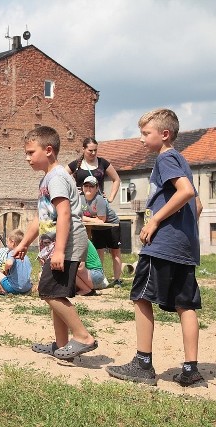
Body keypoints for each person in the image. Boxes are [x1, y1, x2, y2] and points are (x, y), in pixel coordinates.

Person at [106, 109, 205, 387]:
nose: (140, 140)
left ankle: (143, 363)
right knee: (185, 305)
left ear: (164, 135)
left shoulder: (166, 158)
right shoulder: (183, 160)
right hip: (183, 249)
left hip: (161, 246)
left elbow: (185, 192)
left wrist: (157, 221)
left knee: (141, 296)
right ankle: (190, 369)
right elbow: (197, 205)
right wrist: (184, 234)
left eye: (145, 133)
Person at [13, 126, 98, 360]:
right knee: (55, 293)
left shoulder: (58, 178)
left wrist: (59, 250)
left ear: (48, 150)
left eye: (31, 152)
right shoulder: (48, 179)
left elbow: (64, 214)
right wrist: (23, 244)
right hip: (56, 245)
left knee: (49, 292)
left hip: (67, 244)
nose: (26, 158)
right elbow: (40, 217)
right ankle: (62, 345)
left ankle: (82, 337)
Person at [80, 175, 123, 287]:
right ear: (82, 187)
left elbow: (102, 220)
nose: (88, 188)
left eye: (91, 186)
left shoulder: (99, 199)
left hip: (112, 225)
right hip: (95, 228)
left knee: (115, 252)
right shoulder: (80, 199)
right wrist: (90, 220)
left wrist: (86, 218)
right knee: (98, 252)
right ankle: (101, 278)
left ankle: (117, 279)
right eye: (86, 186)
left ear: (96, 188)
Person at [66, 137, 121, 202]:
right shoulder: (75, 164)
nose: (93, 153)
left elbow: (116, 180)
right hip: (80, 203)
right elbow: (61, 177)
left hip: (99, 203)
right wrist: (72, 191)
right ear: (83, 149)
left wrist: (111, 198)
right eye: (90, 150)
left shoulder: (102, 162)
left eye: (95, 150)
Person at [0, 228, 32, 296]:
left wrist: (3, 269)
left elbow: (9, 263)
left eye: (7, 242)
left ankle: (3, 290)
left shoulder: (12, 252)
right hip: (27, 289)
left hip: (14, 288)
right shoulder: (25, 255)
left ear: (12, 242)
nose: (7, 244)